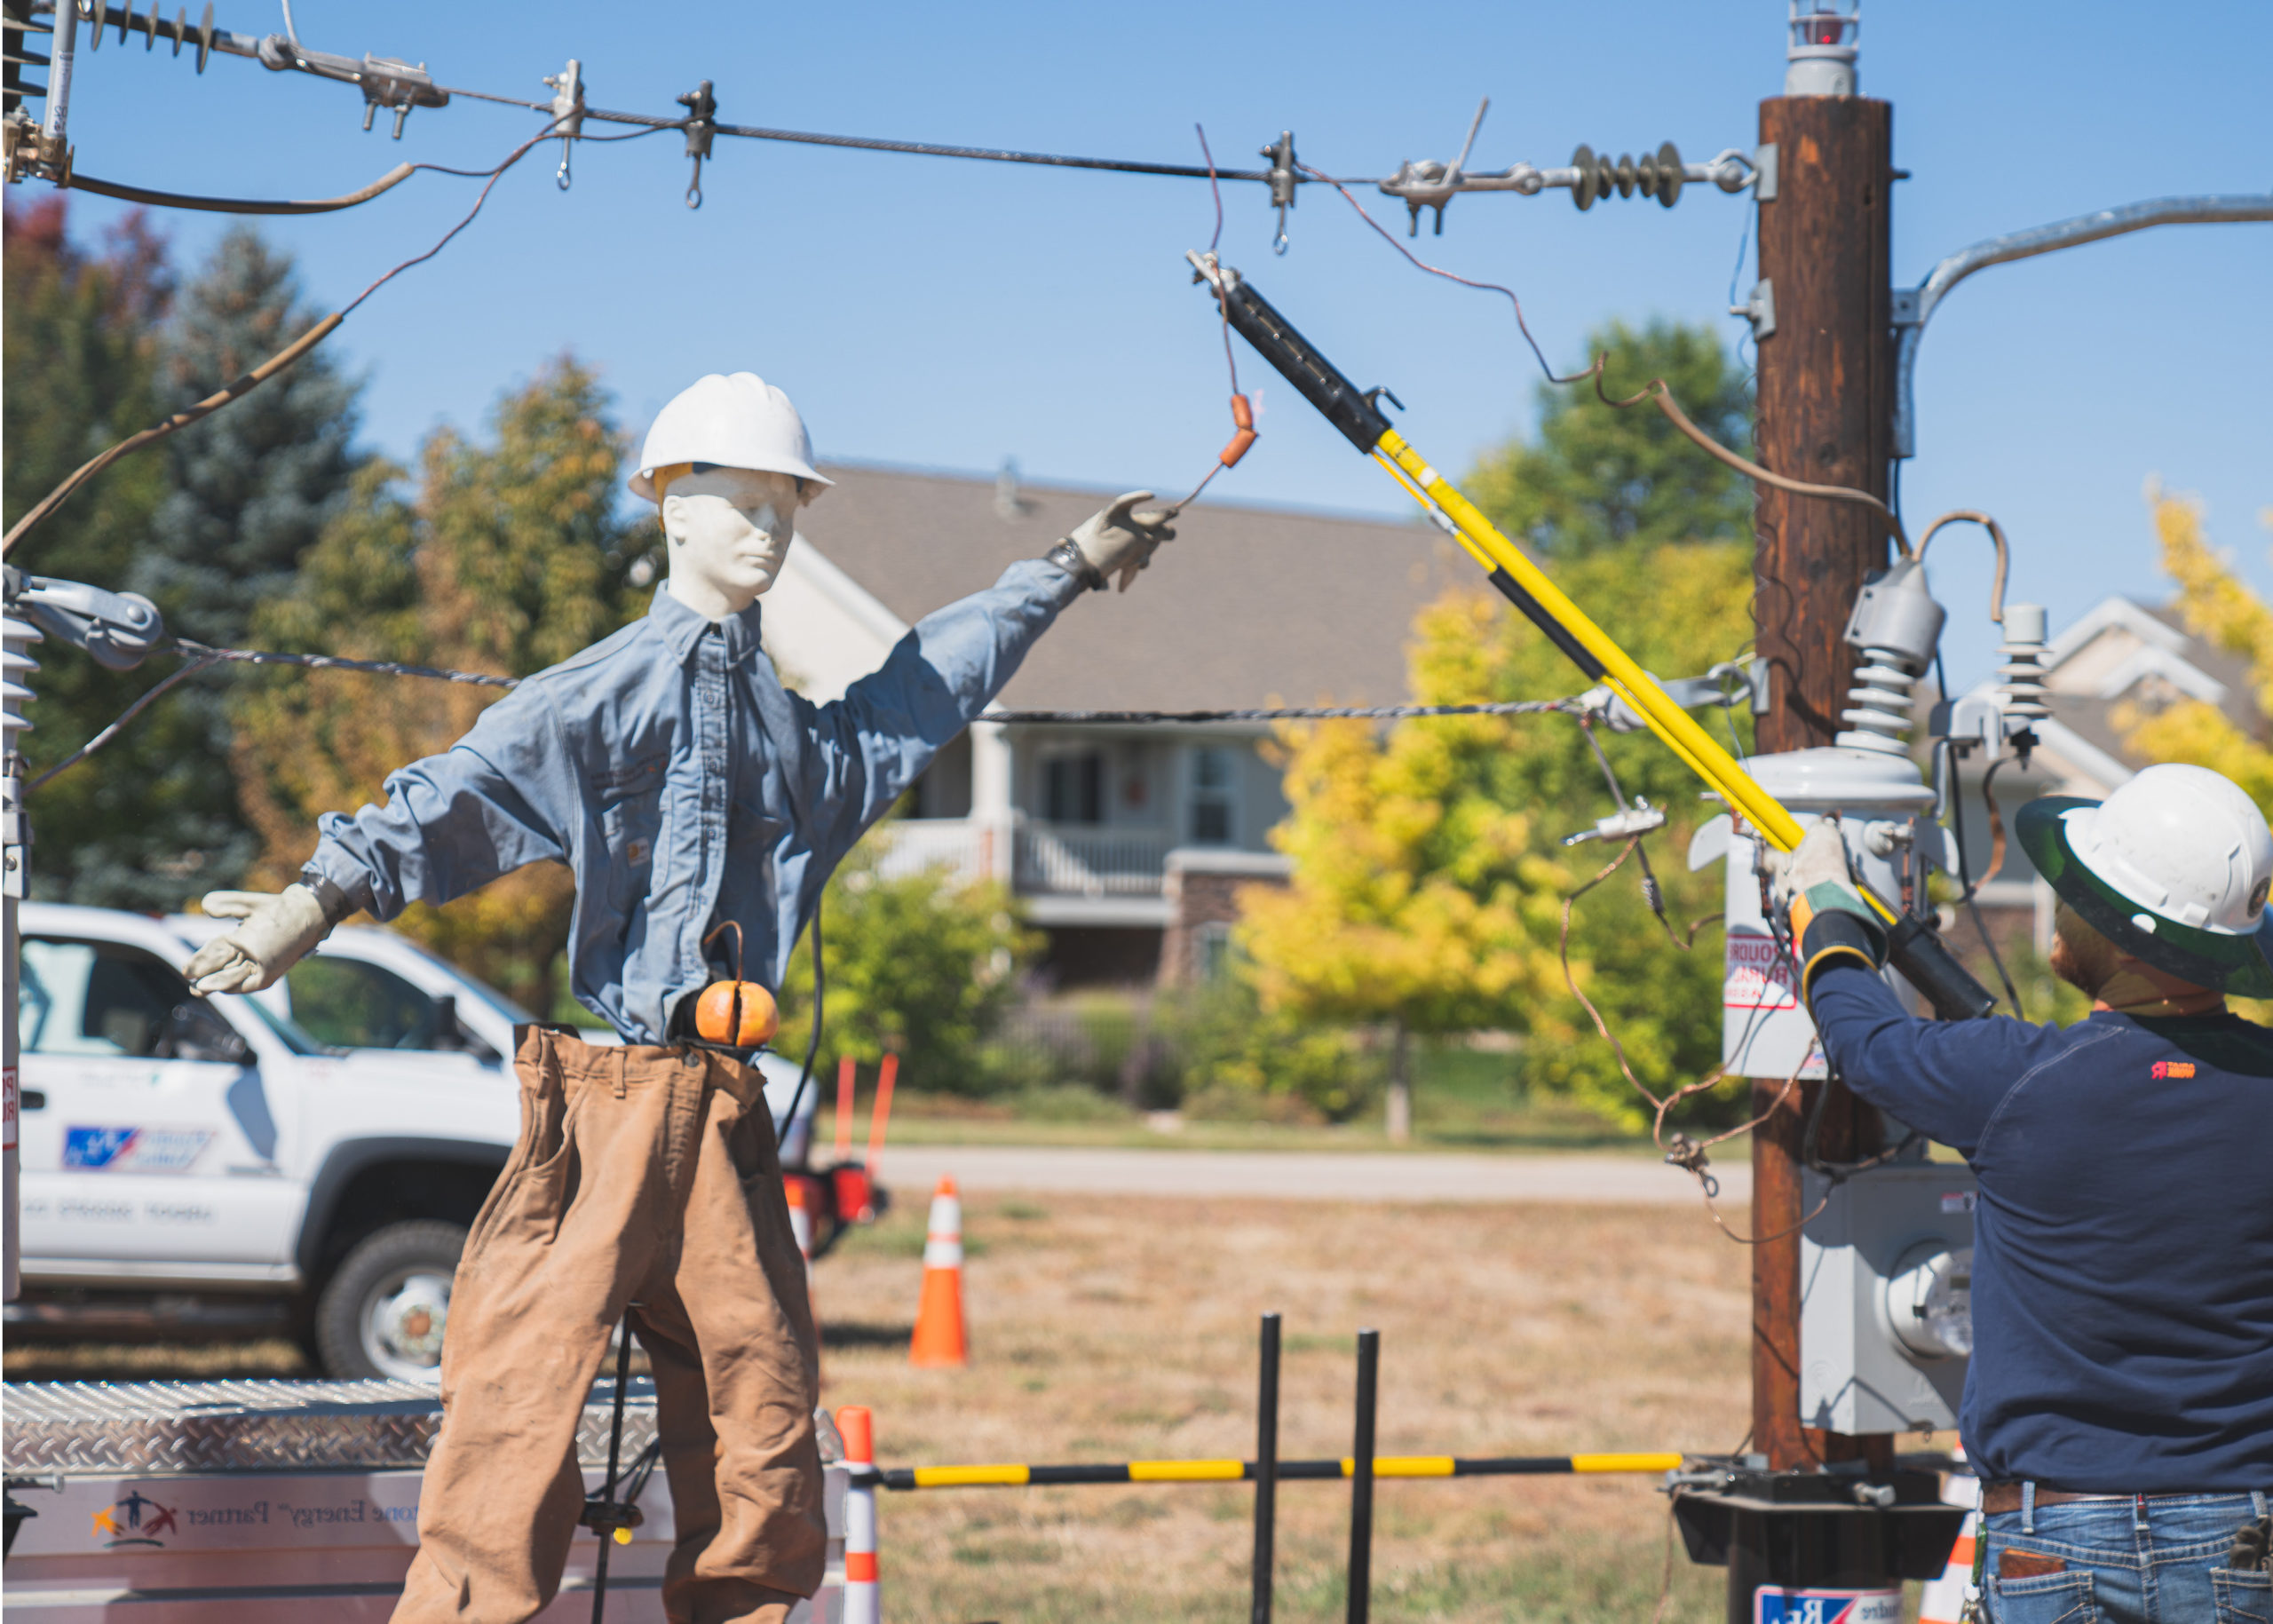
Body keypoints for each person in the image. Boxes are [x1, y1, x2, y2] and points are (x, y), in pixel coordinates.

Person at [183, 372, 1177, 1624]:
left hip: (726, 1117)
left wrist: (1065, 568)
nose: (769, 527)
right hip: (606, 1113)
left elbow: (927, 687)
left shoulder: (803, 741)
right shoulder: (600, 694)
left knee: (761, 1421)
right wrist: (307, 907)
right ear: (671, 511)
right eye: (741, 501)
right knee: (515, 1419)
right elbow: (456, 792)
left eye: (786, 506)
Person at [1770, 761, 2273, 1624]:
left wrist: (1821, 903)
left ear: (2122, 933)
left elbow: (1864, 1038)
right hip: (2243, 1529)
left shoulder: (2013, 1079)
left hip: (2055, 1529)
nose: (2057, 904)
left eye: (2074, 890)